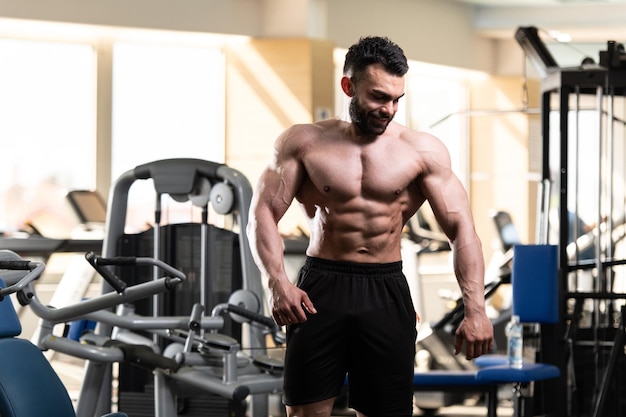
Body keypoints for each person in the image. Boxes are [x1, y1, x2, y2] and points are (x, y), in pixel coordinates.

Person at [247, 36, 494, 417]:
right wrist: (278, 282)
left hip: (385, 288)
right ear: (348, 86)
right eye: (379, 97)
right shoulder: (303, 143)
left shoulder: (422, 151)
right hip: (321, 288)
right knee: (304, 413)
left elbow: (462, 229)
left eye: (397, 99)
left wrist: (475, 309)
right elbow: (262, 212)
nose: (389, 109)